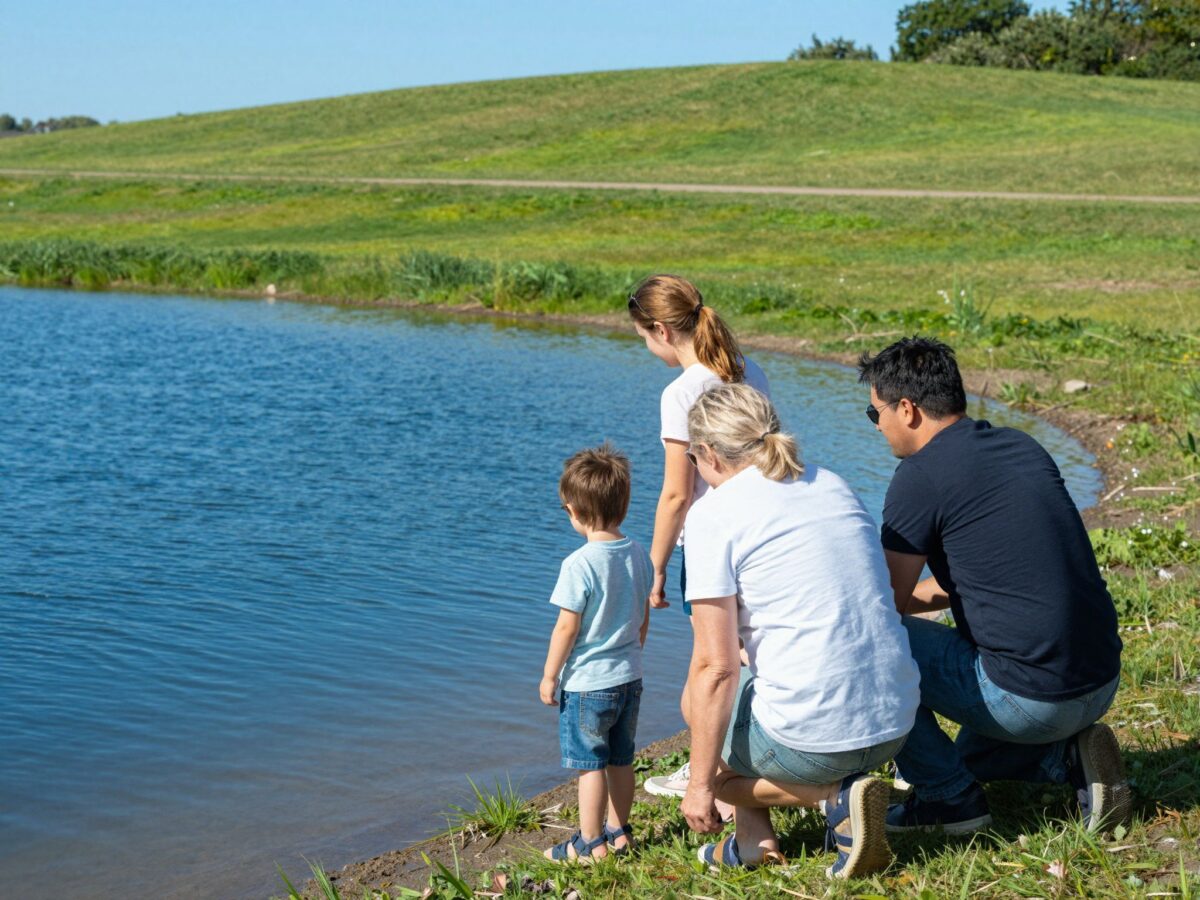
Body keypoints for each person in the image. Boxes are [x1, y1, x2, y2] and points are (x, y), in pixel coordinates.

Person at [857, 336, 1128, 835]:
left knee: (868, 647)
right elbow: (994, 570)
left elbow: (883, 608)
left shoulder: (918, 477)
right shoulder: (1020, 445)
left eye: (876, 415)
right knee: (968, 754)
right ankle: (1066, 760)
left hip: (1034, 699)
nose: (878, 428)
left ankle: (948, 801)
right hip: (1099, 677)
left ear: (908, 409)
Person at [677, 383, 921, 879]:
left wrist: (699, 784)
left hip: (817, 744)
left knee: (699, 703)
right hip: (895, 724)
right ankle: (751, 841)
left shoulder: (713, 515)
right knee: (747, 676)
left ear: (707, 454)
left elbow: (714, 667)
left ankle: (834, 797)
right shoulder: (831, 481)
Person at [626, 274, 769, 800]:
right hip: (762, 529)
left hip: (711, 544)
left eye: (642, 335)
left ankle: (706, 769)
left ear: (661, 329)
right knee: (745, 650)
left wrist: (657, 567)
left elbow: (676, 494)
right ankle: (729, 758)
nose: (645, 345)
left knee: (710, 660)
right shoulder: (749, 369)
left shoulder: (683, 391)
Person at [539, 443, 653, 862]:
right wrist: (632, 651)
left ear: (574, 511)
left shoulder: (579, 563)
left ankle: (590, 844)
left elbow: (567, 627)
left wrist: (550, 675)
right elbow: (642, 615)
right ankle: (619, 833)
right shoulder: (638, 553)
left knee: (590, 765)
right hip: (629, 677)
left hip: (588, 683)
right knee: (622, 759)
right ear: (622, 504)